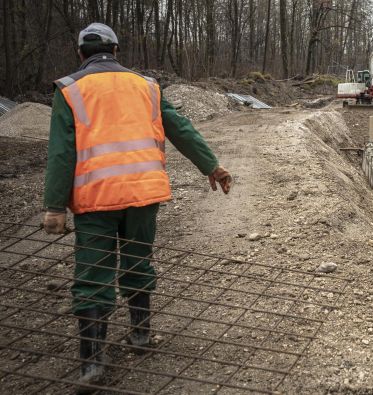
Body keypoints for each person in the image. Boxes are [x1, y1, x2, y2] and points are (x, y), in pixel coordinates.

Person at [41, 22, 232, 391]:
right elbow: (181, 128)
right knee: (137, 259)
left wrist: (54, 206)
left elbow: (61, 153)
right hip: (144, 194)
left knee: (93, 273)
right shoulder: (146, 86)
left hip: (96, 200)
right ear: (116, 51)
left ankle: (92, 364)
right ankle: (141, 335)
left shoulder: (69, 89)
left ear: (80, 53)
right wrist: (212, 165)